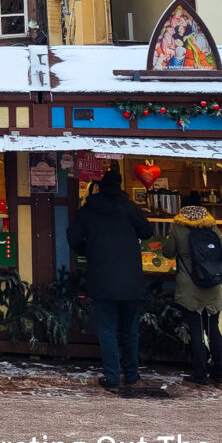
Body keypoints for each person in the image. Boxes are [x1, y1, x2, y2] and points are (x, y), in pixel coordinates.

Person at [67, 168, 153, 391]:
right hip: (130, 278)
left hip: (102, 276)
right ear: (120, 185)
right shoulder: (129, 207)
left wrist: (88, 250)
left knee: (107, 328)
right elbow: (147, 232)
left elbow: (73, 236)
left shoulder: (89, 209)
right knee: (129, 329)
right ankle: (132, 374)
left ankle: (112, 377)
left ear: (100, 186)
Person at [163, 192, 222, 388]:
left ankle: (200, 375)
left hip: (190, 285)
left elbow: (167, 252)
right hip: (212, 284)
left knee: (196, 330)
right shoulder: (212, 225)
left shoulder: (178, 226)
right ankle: (219, 376)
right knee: (213, 329)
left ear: (182, 207)